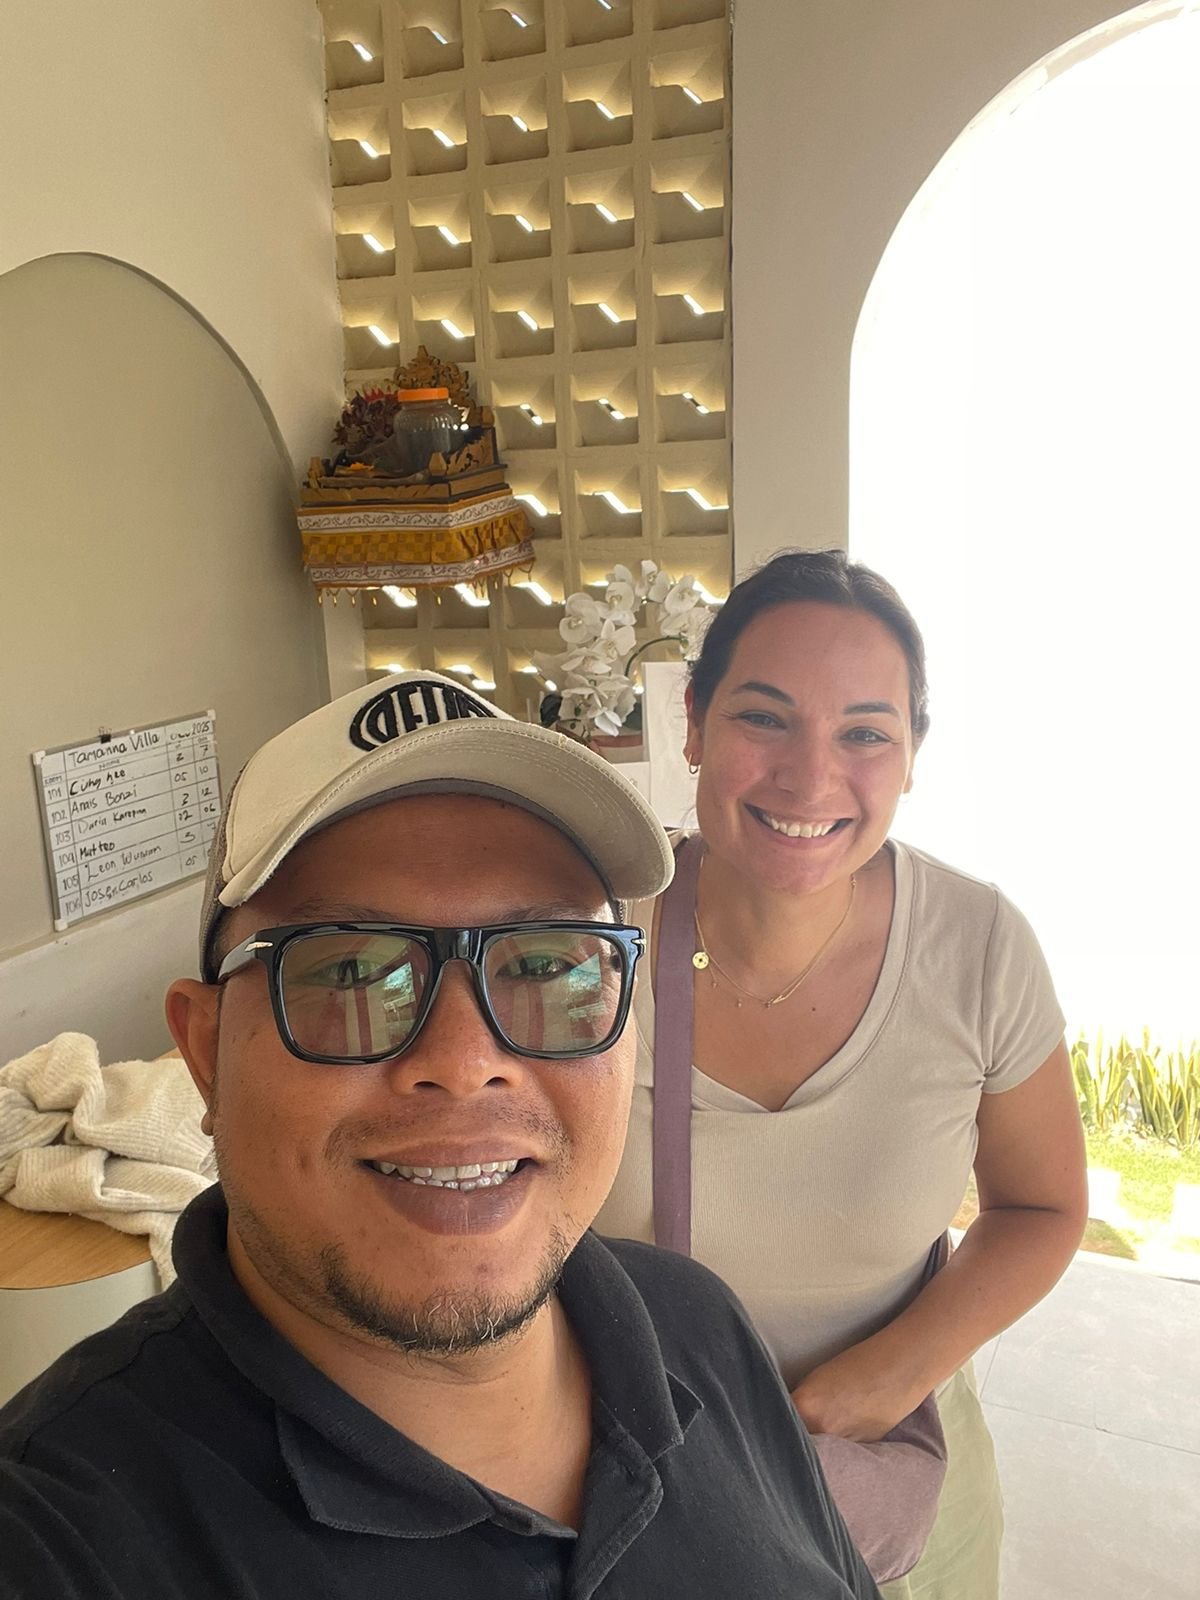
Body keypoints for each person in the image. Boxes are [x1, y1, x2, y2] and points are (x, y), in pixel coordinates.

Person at [0, 669, 880, 1600]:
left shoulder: (695, 1325)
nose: (464, 1062)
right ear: (206, 1053)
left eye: (545, 965)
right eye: (350, 974)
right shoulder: (61, 1540)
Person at [595, 551, 1089, 1598]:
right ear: (693, 723)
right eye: (763, 718)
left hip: (882, 1491)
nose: (810, 778)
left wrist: (882, 1378)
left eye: (865, 732)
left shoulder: (978, 946)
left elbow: (1042, 1206)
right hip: (649, 1483)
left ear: (912, 755)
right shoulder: (587, 943)